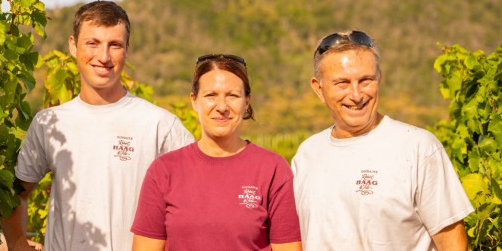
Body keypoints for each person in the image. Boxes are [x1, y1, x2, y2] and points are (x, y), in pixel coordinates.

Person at [0, 0, 194, 250]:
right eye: (92, 43)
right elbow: (16, 194)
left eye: (114, 45)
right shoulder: (49, 123)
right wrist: (18, 245)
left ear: (127, 50)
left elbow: (201, 195)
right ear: (73, 45)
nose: (103, 57)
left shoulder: (159, 125)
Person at [291, 30, 474, 250]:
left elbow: (453, 244)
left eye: (365, 80)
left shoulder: (418, 148)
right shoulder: (307, 154)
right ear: (319, 89)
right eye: (342, 83)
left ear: (379, 78)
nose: (356, 95)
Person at [131, 54, 302, 250]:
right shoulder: (163, 171)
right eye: (211, 95)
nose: (222, 107)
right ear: (194, 101)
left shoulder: (273, 169)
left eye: (233, 96)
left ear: (247, 101)